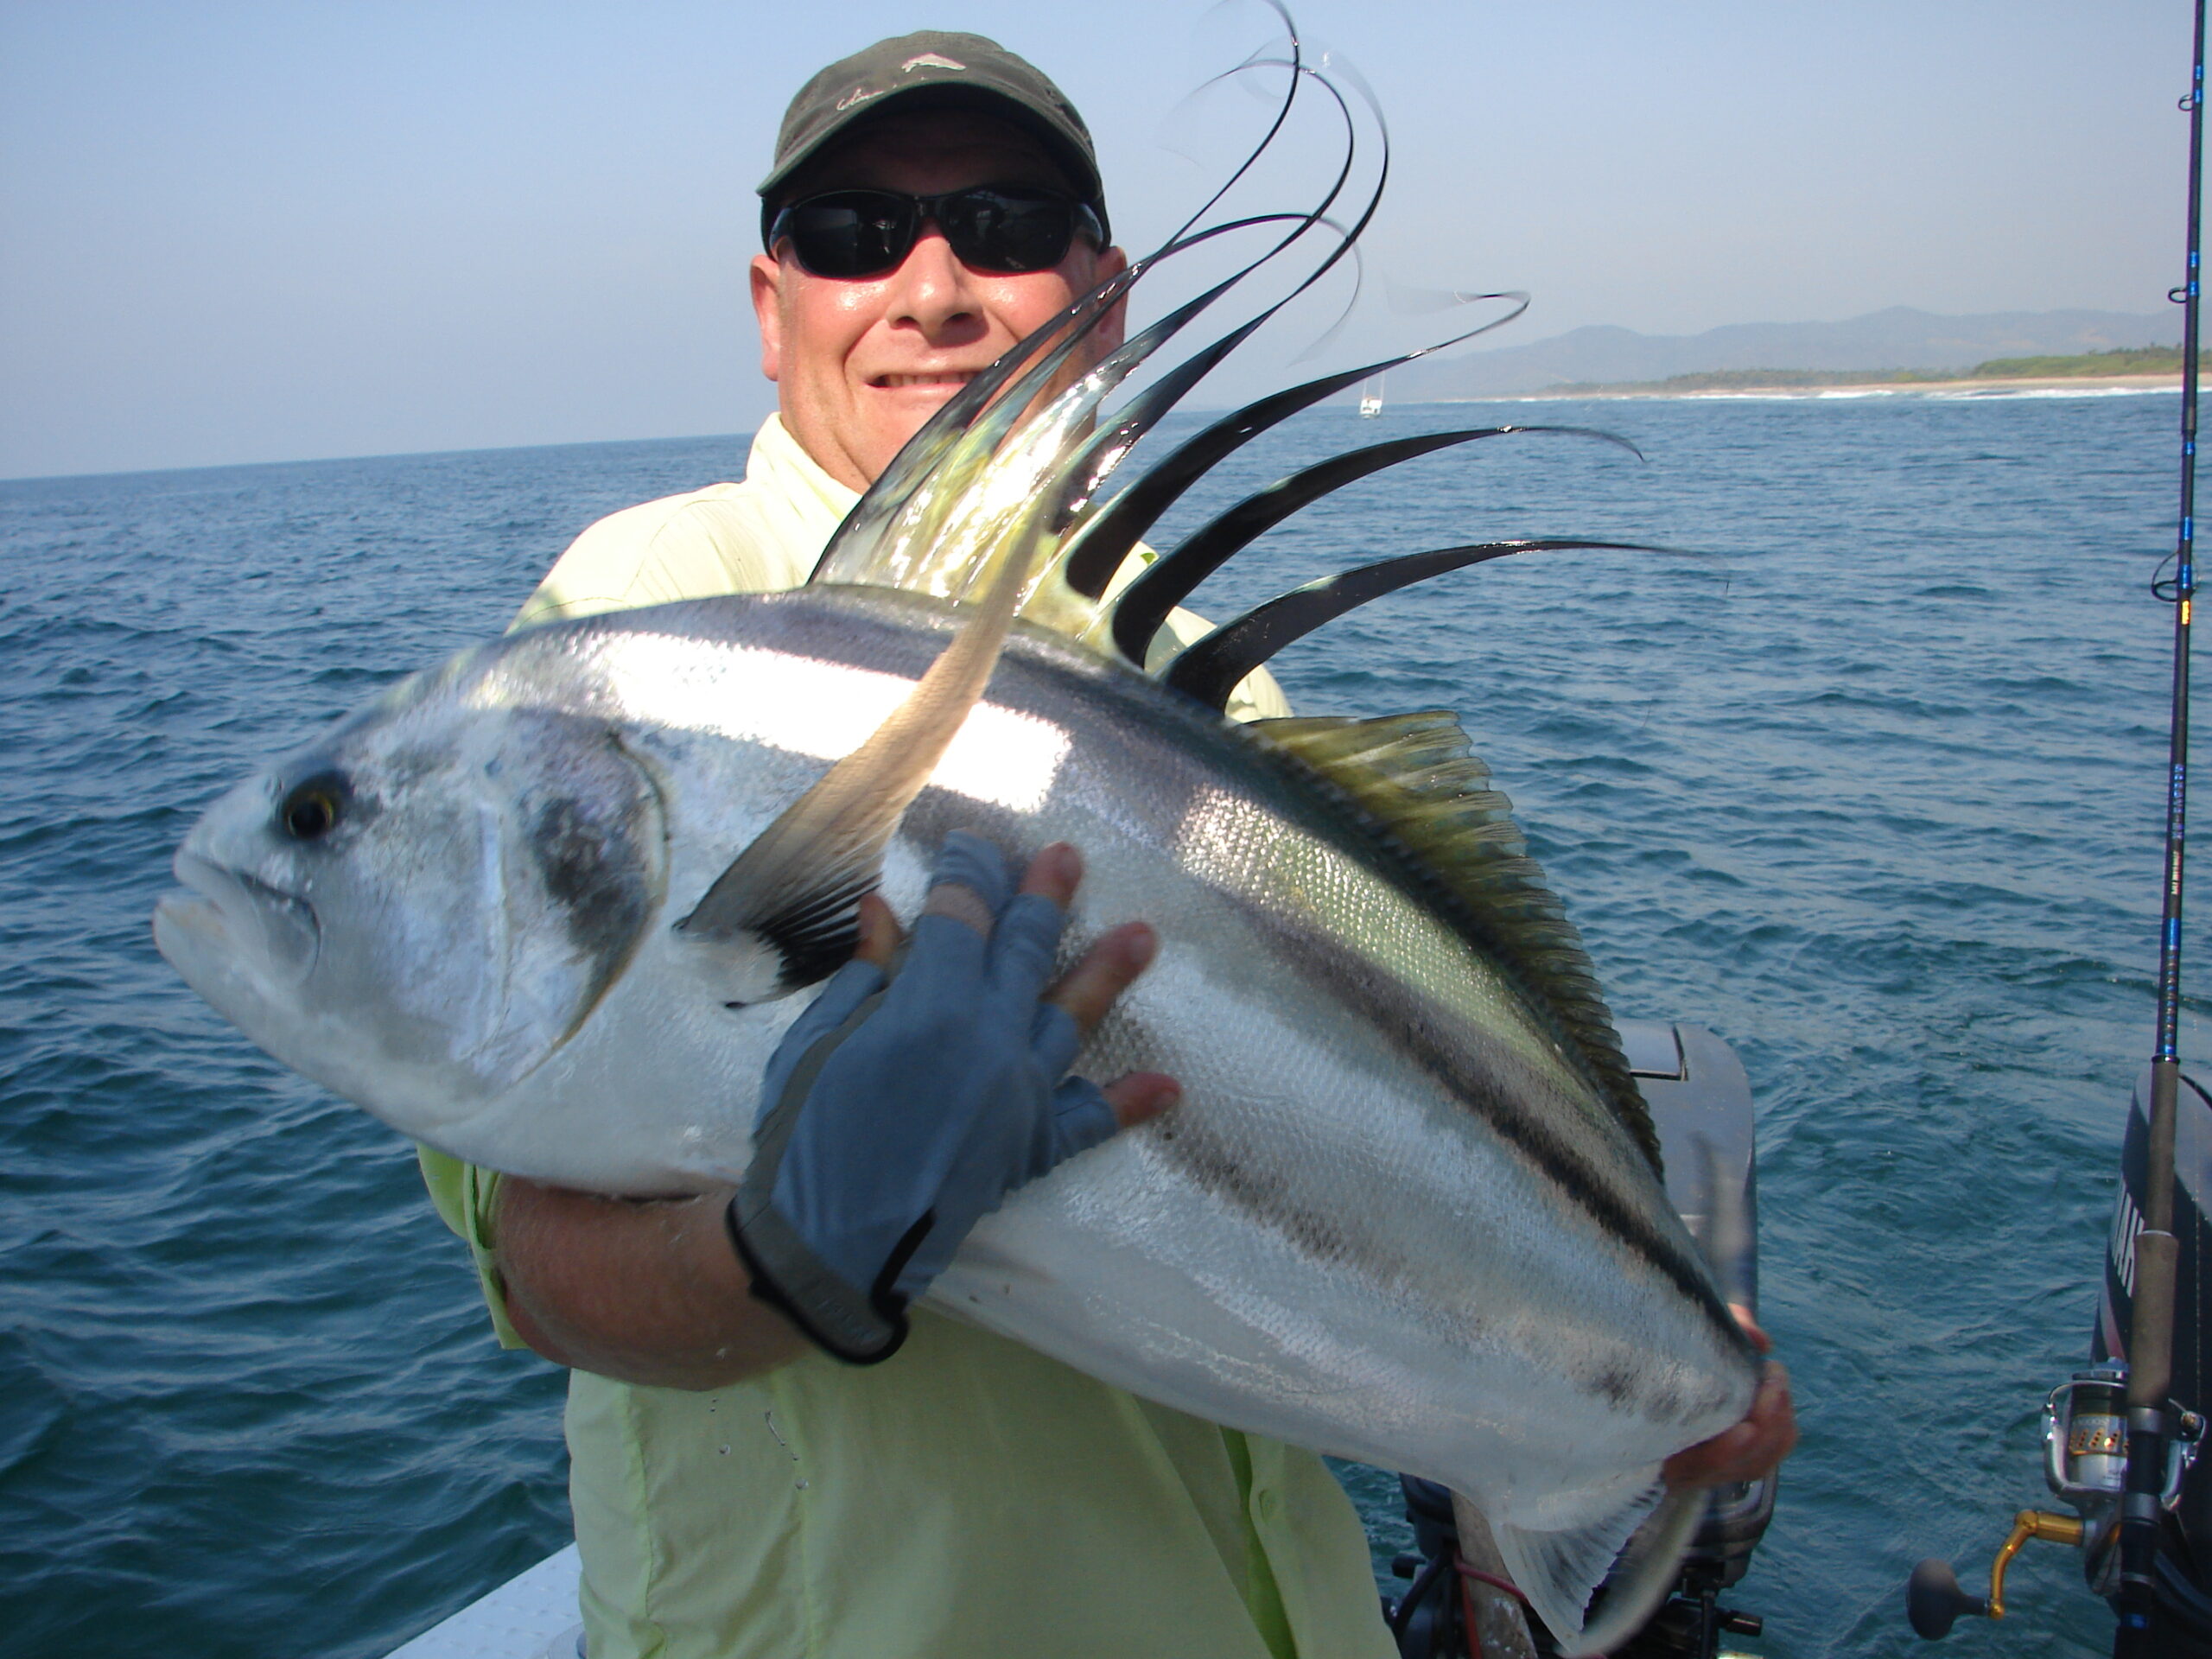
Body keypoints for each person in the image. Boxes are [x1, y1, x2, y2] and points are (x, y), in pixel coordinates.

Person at [420, 30, 1795, 1659]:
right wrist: (789, 1250)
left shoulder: (1210, 683)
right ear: (772, 300)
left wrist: (1641, 1386)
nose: (929, 286)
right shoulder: (647, 642)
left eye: (1001, 223)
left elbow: (1371, 1164)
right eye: (857, 232)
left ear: (1104, 291)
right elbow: (546, 1260)